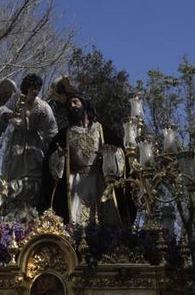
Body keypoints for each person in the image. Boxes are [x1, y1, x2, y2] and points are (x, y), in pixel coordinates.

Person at [38, 90, 129, 225]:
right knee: (75, 223)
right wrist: (60, 157)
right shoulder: (63, 135)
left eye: (75, 102)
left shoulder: (103, 130)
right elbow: (50, 168)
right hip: (75, 184)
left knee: (105, 222)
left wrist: (108, 155)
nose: (72, 106)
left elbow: (120, 154)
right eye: (69, 105)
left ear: (84, 104)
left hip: (100, 181)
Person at [0, 74, 57, 213]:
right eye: (33, 88)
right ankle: (12, 206)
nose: (35, 91)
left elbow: (52, 131)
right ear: (26, 88)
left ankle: (30, 209)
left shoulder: (43, 107)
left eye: (38, 88)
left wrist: (54, 149)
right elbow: (1, 109)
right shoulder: (16, 98)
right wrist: (9, 115)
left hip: (34, 146)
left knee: (33, 178)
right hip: (16, 144)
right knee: (13, 176)